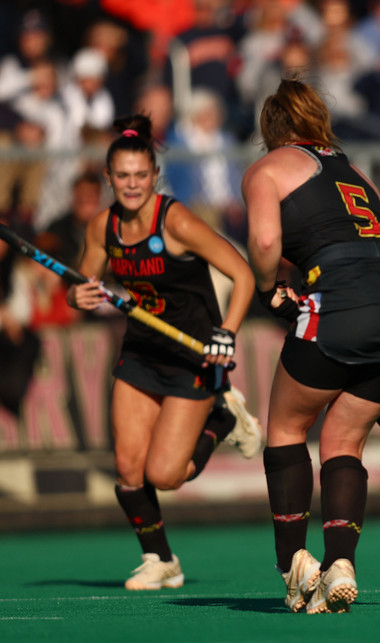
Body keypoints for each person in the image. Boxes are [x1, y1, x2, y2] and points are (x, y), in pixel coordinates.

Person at [242, 78, 380, 615]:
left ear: (271, 130)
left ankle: (295, 563)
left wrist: (265, 285)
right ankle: (341, 562)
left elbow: (265, 244)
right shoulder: (358, 173)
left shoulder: (267, 169)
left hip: (341, 301)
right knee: (343, 439)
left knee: (286, 427)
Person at [66, 115, 261, 591]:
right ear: (109, 178)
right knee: (129, 471)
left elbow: (244, 274)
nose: (131, 185)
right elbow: (82, 283)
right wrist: (79, 296)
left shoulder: (176, 221)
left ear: (154, 176)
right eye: (122, 176)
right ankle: (160, 559)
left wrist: (227, 333)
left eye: (140, 175)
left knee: (166, 475)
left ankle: (225, 420)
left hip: (192, 358)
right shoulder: (102, 227)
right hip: (141, 353)